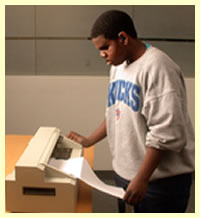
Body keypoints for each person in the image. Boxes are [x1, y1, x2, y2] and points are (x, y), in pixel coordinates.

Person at [67, 10, 195, 213]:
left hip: (158, 183)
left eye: (105, 48)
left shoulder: (158, 67)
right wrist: (89, 141)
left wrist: (142, 179)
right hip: (126, 176)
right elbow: (115, 112)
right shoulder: (118, 66)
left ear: (123, 38)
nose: (102, 55)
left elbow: (166, 134)